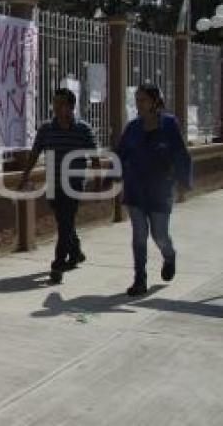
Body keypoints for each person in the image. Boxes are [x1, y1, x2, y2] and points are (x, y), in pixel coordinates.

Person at [116, 83, 192, 296]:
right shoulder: (132, 128)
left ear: (154, 101)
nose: (138, 104)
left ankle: (169, 256)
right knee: (139, 235)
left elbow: (180, 154)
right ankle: (140, 279)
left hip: (160, 191)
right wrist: (109, 177)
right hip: (136, 190)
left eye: (142, 100)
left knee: (160, 235)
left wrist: (184, 181)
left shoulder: (169, 125)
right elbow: (120, 156)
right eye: (136, 100)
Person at [20, 89, 98, 284]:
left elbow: (94, 157)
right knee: (64, 222)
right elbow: (35, 152)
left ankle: (58, 264)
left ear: (71, 107)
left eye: (60, 104)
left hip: (74, 184)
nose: (55, 107)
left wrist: (97, 181)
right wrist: (25, 175)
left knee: (65, 224)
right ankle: (76, 251)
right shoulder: (46, 129)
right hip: (54, 184)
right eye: (54, 103)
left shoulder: (83, 130)